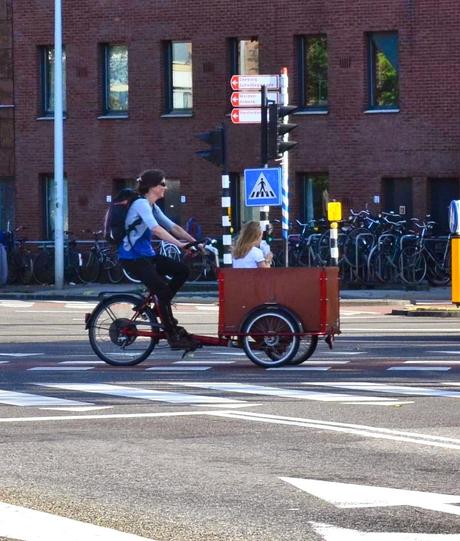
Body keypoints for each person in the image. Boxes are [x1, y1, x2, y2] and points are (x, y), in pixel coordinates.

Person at [118, 169, 199, 350]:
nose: (165, 188)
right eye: (162, 184)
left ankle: (160, 309)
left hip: (147, 256)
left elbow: (172, 226)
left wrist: (195, 243)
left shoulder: (152, 206)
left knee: (182, 271)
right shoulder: (140, 204)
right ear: (152, 186)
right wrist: (180, 245)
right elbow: (157, 230)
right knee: (162, 290)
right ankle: (172, 336)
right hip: (132, 258)